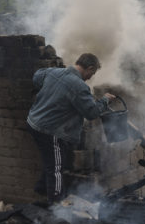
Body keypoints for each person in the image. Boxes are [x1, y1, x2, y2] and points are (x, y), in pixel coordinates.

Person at [27, 53, 114, 204]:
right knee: (56, 169)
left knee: (54, 159)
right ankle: (56, 205)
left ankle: (41, 187)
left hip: (33, 123)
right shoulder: (79, 86)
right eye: (91, 74)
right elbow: (91, 113)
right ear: (90, 68)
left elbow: (36, 77)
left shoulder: (53, 71)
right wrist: (105, 100)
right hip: (49, 130)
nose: (90, 78)